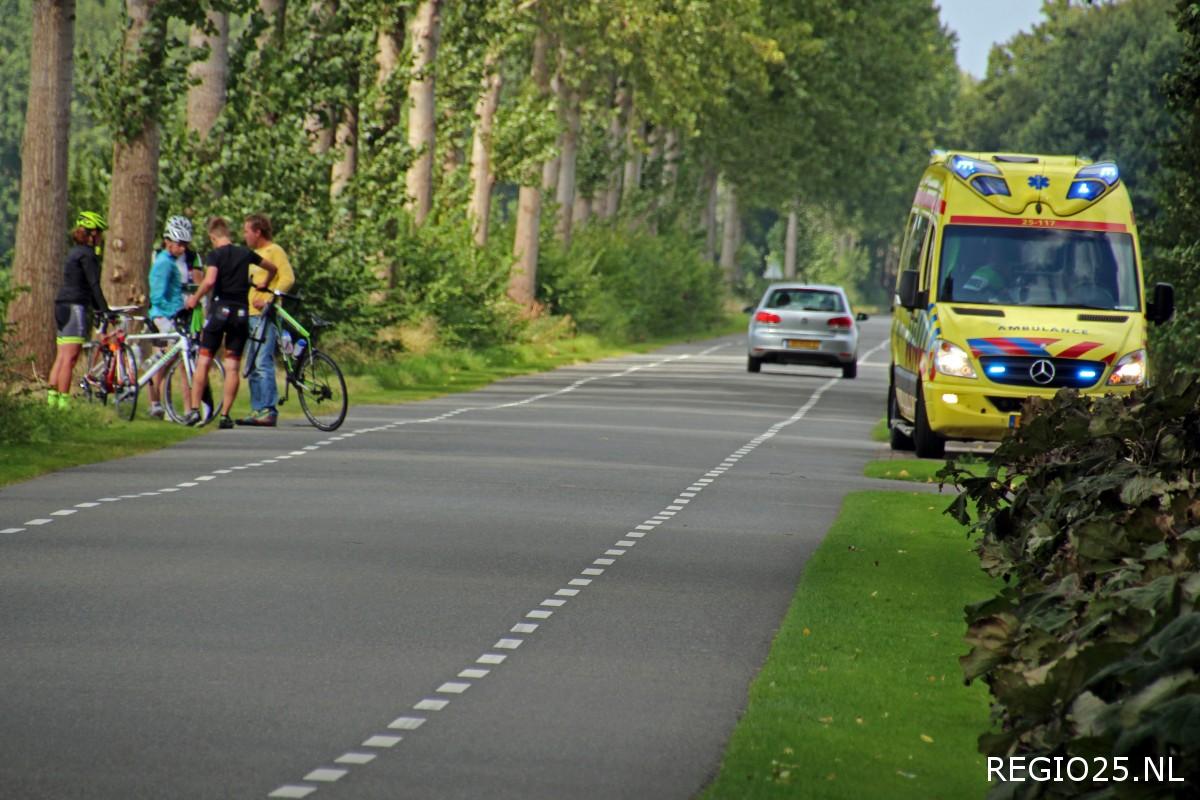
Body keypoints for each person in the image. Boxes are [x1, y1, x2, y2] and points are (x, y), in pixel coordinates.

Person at [183, 216, 277, 429]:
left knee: (204, 361)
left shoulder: (215, 255)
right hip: (241, 315)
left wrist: (194, 299)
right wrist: (264, 284)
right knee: (232, 366)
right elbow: (272, 268)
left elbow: (210, 280)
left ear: (212, 237)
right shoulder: (245, 253)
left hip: (219, 312)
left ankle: (195, 411)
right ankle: (225, 415)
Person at [48, 211, 110, 409]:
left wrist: (99, 308)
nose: (100, 237)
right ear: (91, 234)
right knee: (70, 358)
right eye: (98, 233)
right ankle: (63, 406)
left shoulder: (75, 252)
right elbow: (94, 285)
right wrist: (105, 310)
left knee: (61, 356)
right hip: (74, 307)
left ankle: (52, 402)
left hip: (62, 305)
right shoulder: (87, 255)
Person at [238, 213, 295, 427]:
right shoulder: (254, 254)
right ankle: (257, 409)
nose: (244, 235)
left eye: (247, 231)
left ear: (258, 232)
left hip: (266, 314)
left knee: (263, 361)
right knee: (251, 363)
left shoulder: (274, 251)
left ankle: (269, 409)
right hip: (251, 315)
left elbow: (288, 278)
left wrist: (271, 299)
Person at [145, 216, 194, 419]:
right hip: (163, 318)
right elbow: (157, 296)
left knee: (170, 360)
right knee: (163, 361)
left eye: (185, 245)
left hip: (173, 316)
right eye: (179, 245)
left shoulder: (171, 262)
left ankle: (163, 405)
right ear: (168, 242)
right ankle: (156, 402)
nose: (183, 249)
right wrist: (173, 312)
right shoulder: (163, 263)